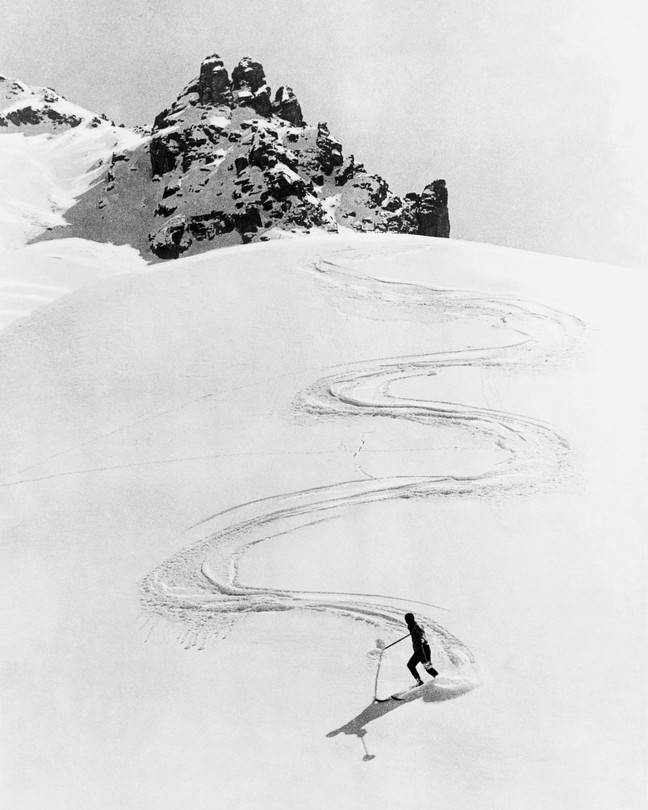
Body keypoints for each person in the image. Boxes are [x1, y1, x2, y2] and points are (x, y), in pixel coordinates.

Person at [404, 612, 438, 685]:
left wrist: (422, 640)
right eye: (406, 620)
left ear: (412, 619)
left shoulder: (417, 627)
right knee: (410, 665)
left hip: (423, 649)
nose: (407, 621)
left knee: (428, 667)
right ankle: (419, 681)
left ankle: (439, 678)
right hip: (418, 651)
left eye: (408, 620)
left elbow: (422, 634)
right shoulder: (412, 626)